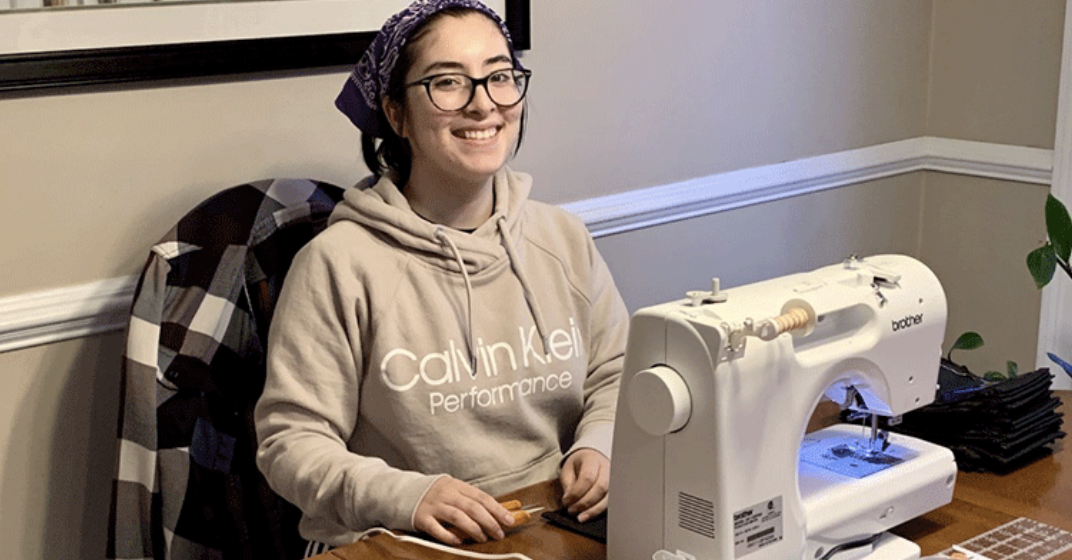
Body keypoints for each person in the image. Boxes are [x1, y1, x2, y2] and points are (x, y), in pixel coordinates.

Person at [254, 0, 630, 552]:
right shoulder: (338, 265)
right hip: (397, 537)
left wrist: (600, 445)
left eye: (500, 77)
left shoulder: (563, 240)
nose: (483, 105)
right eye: (448, 83)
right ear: (395, 113)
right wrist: (409, 495)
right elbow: (291, 444)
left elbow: (617, 373)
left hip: (550, 522)